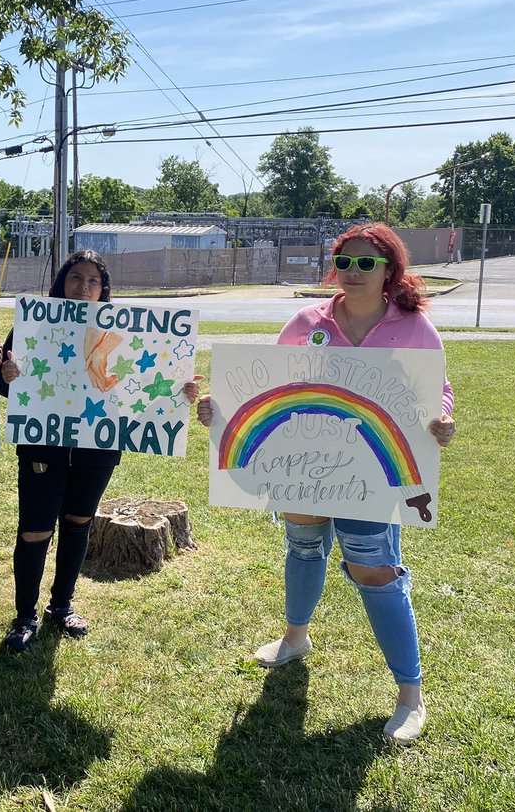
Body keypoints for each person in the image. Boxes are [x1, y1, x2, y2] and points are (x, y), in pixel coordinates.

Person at [197, 223, 455, 745]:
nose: (353, 272)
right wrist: (219, 411)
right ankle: (295, 638)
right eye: (345, 261)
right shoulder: (307, 321)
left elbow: (438, 389)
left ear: (389, 271)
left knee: (374, 570)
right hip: (304, 464)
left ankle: (410, 696)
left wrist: (441, 419)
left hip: (372, 471)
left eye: (366, 263)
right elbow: (271, 384)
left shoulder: (413, 326)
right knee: (303, 546)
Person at [0, 250, 200, 654]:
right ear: (62, 282)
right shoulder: (34, 324)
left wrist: (180, 391)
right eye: (76, 278)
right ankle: (24, 617)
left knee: (78, 523)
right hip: (43, 444)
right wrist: (7, 374)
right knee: (35, 531)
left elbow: (146, 381)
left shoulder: (120, 331)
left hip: (98, 449)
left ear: (103, 289)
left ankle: (62, 606)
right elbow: (8, 388)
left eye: (93, 281)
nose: (83, 287)